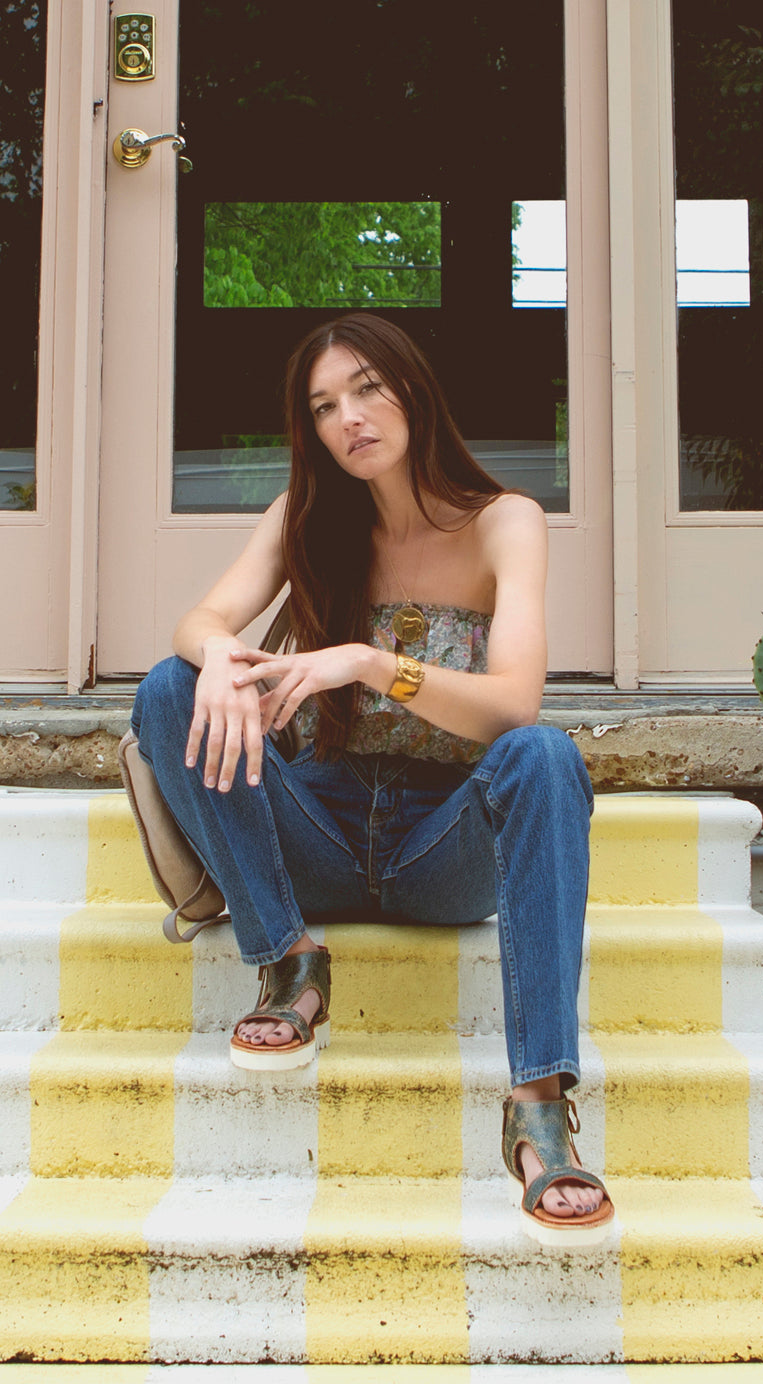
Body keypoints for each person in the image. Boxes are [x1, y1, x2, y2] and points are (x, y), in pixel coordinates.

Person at [130, 313, 612, 1246]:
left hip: (446, 844)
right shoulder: (306, 517)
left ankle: (539, 1104)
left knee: (546, 757)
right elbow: (201, 618)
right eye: (323, 406)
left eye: (366, 389)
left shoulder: (503, 522)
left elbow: (515, 702)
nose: (348, 417)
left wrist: (365, 661)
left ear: (412, 390)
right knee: (167, 687)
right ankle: (287, 958)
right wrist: (224, 660)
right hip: (319, 825)